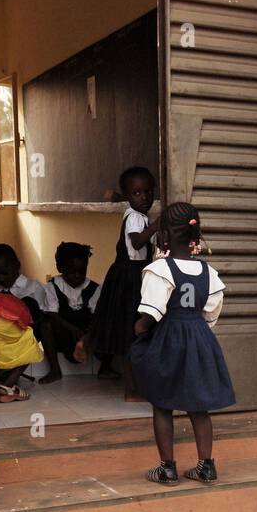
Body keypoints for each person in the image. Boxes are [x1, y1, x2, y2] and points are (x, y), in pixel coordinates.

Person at [130, 202, 234, 483]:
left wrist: (139, 328)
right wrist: (196, 331)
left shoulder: (159, 270)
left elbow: (151, 311)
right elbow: (211, 314)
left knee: (162, 403)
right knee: (198, 406)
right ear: (195, 235)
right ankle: (206, 466)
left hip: (168, 340)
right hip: (199, 339)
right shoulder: (209, 273)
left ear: (163, 234)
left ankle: (167, 467)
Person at [88, 166, 161, 398]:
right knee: (133, 334)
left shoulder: (137, 214)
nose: (144, 197)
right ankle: (131, 390)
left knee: (134, 333)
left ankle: (138, 385)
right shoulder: (135, 218)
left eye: (148, 192)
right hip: (129, 279)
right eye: (137, 193)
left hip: (132, 275)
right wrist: (155, 227)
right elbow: (138, 243)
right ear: (129, 196)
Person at [39, 242, 102, 384]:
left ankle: (105, 366)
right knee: (45, 325)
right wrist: (72, 329)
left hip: (86, 334)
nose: (77, 276)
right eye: (72, 272)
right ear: (60, 268)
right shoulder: (52, 286)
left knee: (106, 322)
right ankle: (55, 370)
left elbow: (96, 316)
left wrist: (86, 335)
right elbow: (52, 314)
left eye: (82, 271)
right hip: (63, 333)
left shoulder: (94, 288)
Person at [0, 290, 44, 402]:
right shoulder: (24, 309)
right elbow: (27, 326)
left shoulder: (7, 298)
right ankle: (8, 388)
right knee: (30, 348)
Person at [0, 243, 47, 323]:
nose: (1, 279)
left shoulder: (34, 287)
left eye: (5, 273)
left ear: (17, 265)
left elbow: (40, 319)